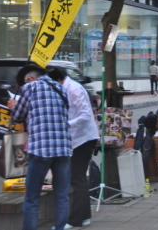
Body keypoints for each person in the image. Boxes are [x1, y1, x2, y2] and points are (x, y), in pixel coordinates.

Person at [7, 64, 71, 230]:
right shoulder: (60, 88)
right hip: (63, 148)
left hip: (41, 149)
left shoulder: (30, 87)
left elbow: (18, 116)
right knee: (61, 196)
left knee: (32, 197)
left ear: (29, 78)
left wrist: (13, 105)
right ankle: (60, 227)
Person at [48, 68, 99, 229]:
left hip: (84, 139)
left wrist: (66, 125)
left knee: (77, 178)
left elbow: (85, 115)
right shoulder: (64, 88)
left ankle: (75, 220)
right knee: (77, 178)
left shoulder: (75, 89)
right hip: (76, 139)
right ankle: (84, 217)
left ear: (57, 79)